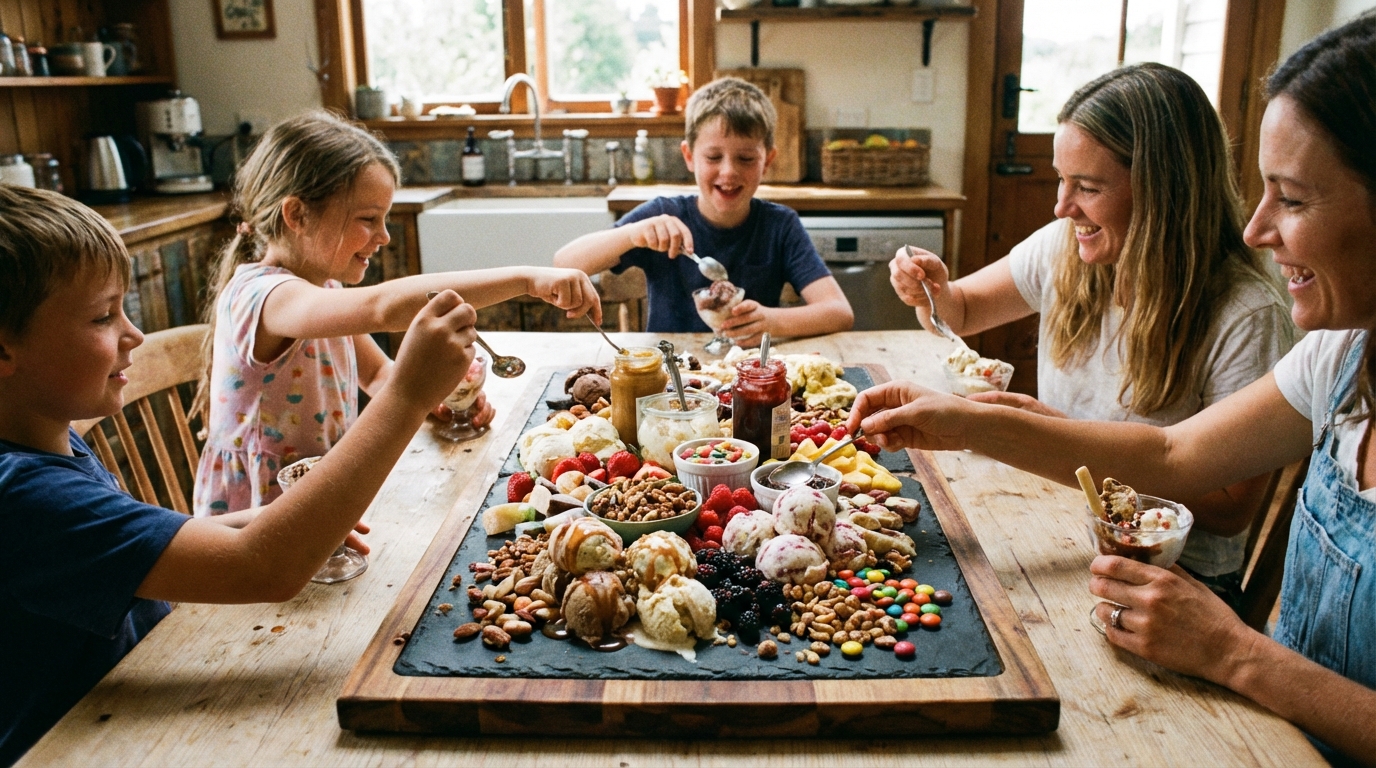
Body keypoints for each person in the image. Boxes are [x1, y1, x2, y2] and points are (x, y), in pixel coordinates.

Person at [849, 12, 1376, 761]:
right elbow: (1169, 453)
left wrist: (1237, 653)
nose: (1258, 228)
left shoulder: (1252, 313)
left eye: (1292, 198)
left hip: (1210, 633)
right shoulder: (1339, 357)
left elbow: (1217, 507)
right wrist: (973, 420)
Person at [0, 185, 480, 766]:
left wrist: (266, 519)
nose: (133, 335)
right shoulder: (21, 493)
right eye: (104, 316)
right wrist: (407, 393)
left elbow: (132, 547)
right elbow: (265, 568)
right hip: (82, 745)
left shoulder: (42, 436)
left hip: (137, 693)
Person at [888, 63, 1294, 604]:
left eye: (1088, 187)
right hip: (1061, 521)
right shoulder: (1066, 248)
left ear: (1163, 192)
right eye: (1061, 178)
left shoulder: (1246, 313)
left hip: (1176, 582)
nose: (1061, 206)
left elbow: (1226, 509)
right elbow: (960, 311)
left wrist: (1048, 437)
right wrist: (929, 290)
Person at [194, 111, 601, 516]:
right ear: (297, 215)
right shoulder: (262, 296)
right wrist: (526, 279)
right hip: (255, 517)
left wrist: (438, 400)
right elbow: (381, 306)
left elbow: (376, 374)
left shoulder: (324, 291)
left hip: (317, 494)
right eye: (368, 219)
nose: (384, 236)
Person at [554, 77, 852, 344]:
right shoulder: (663, 215)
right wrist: (633, 234)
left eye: (746, 158)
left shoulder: (779, 225)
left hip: (748, 377)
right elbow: (564, 265)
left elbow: (839, 312)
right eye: (713, 157)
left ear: (768, 160)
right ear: (689, 156)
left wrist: (772, 321)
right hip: (671, 381)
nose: (728, 172)